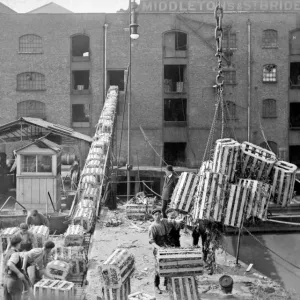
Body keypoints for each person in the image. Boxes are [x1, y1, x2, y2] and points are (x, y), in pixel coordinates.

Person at [149, 208, 184, 294]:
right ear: (153, 216)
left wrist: (181, 220)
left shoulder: (164, 221)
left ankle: (167, 284)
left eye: (159, 214)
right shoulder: (152, 227)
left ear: (161, 215)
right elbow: (151, 241)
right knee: (158, 267)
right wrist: (159, 248)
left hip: (167, 246)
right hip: (158, 248)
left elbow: (173, 221)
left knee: (168, 265)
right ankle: (156, 286)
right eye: (155, 215)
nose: (157, 216)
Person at [3, 236, 26, 300]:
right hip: (14, 280)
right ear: (18, 243)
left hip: (6, 279)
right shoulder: (15, 254)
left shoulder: (7, 252)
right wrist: (19, 273)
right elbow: (10, 264)